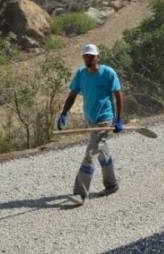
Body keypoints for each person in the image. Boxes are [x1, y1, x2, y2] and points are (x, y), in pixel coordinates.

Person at [56, 43, 124, 205]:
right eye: (86, 56)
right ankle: (112, 184)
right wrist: (64, 113)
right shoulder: (80, 74)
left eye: (91, 56)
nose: (89, 59)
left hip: (105, 119)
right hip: (91, 119)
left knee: (90, 154)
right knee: (103, 153)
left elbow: (118, 95)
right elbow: (72, 95)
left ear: (97, 57)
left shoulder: (108, 73)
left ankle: (80, 193)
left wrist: (119, 119)